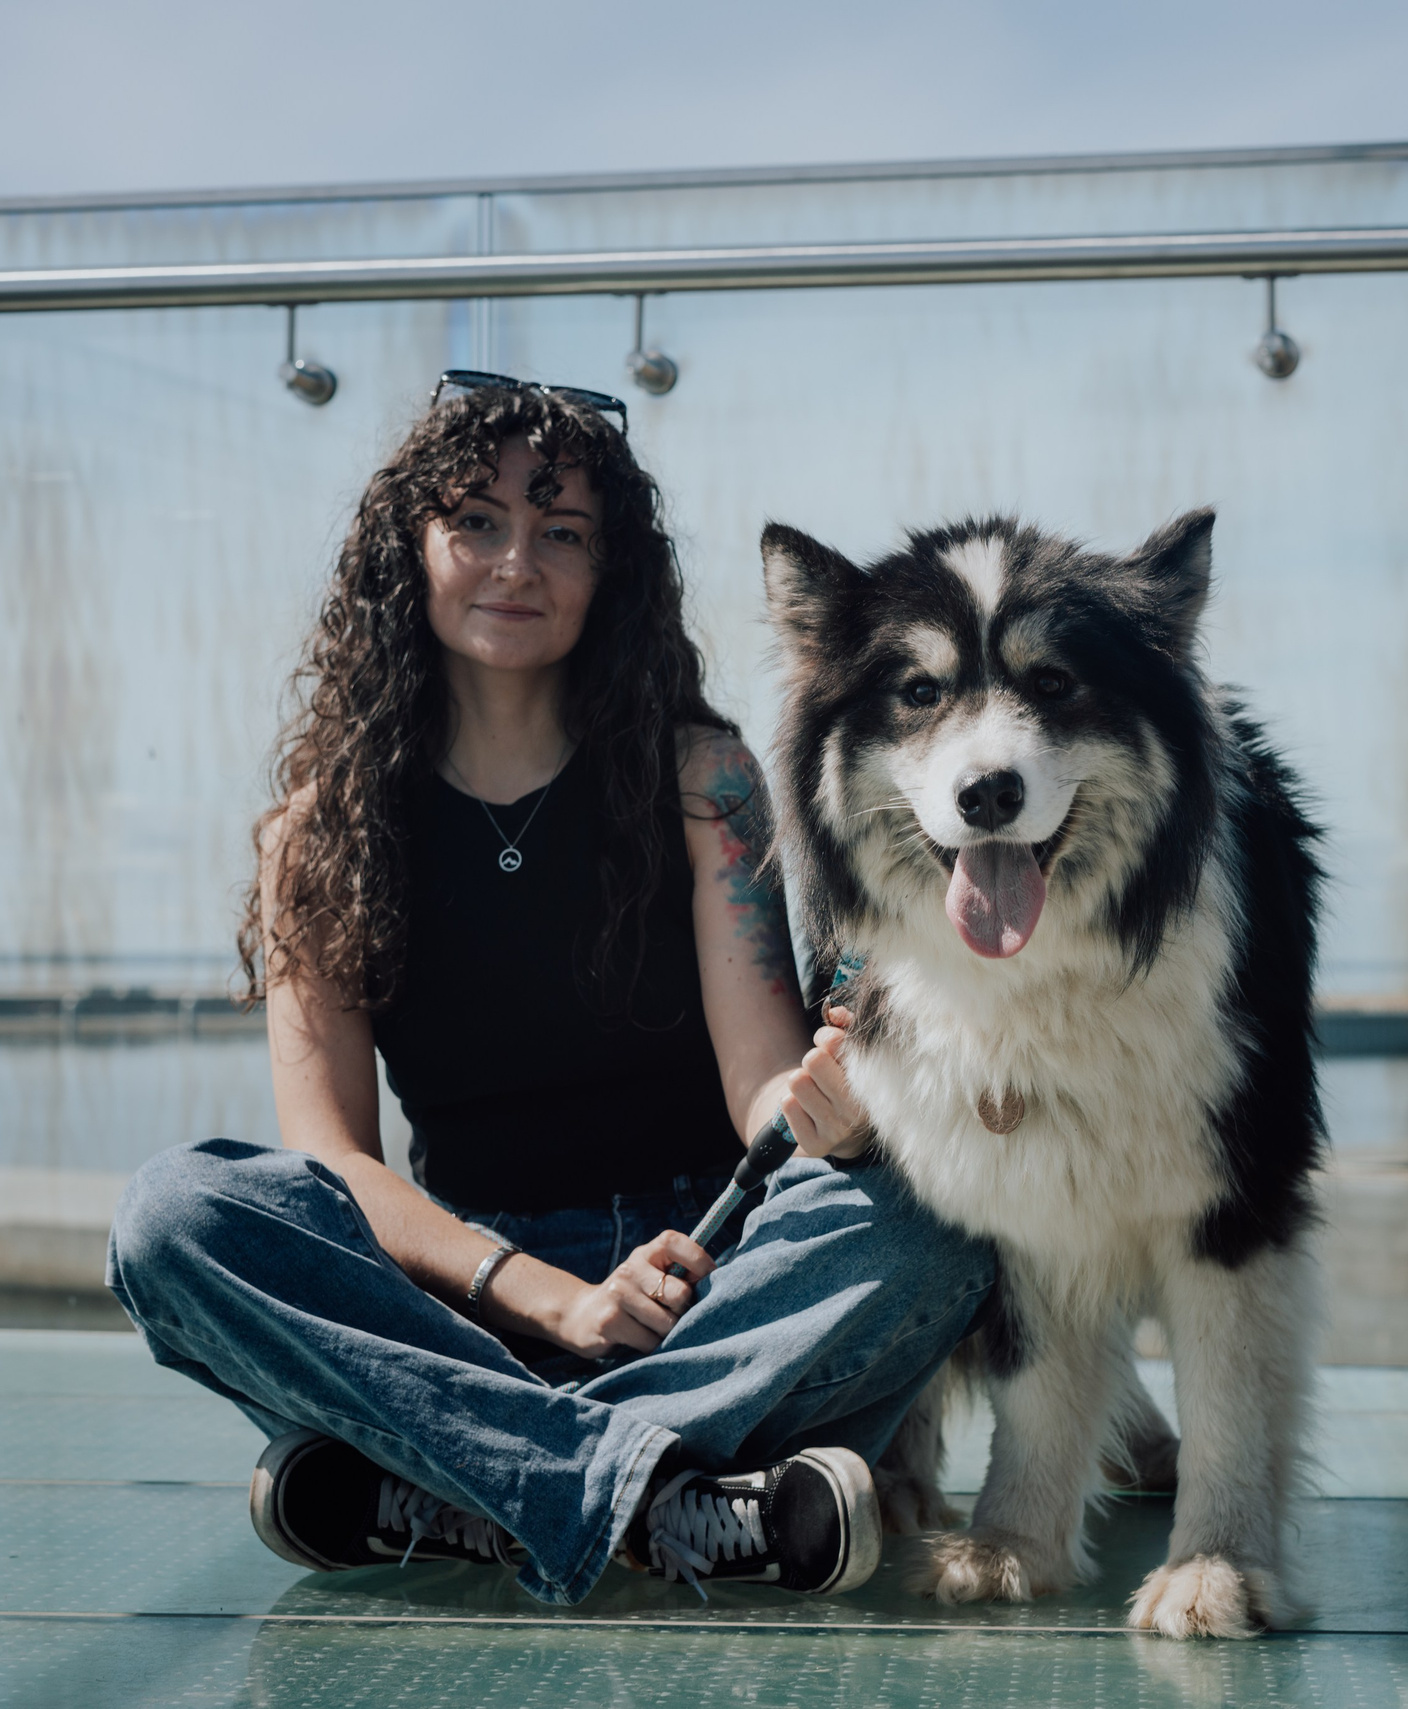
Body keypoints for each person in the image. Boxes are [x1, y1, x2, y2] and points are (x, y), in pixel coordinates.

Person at [105, 372, 995, 1607]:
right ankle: (665, 1498)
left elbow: (759, 1094)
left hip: (712, 1274)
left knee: (933, 1221)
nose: (516, 560)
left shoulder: (706, 780)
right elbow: (339, 1168)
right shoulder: (316, 836)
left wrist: (828, 1113)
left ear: (607, 571)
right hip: (463, 1293)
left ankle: (455, 1487)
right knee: (173, 1218)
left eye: (561, 531)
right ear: (408, 547)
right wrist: (554, 1301)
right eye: (476, 519)